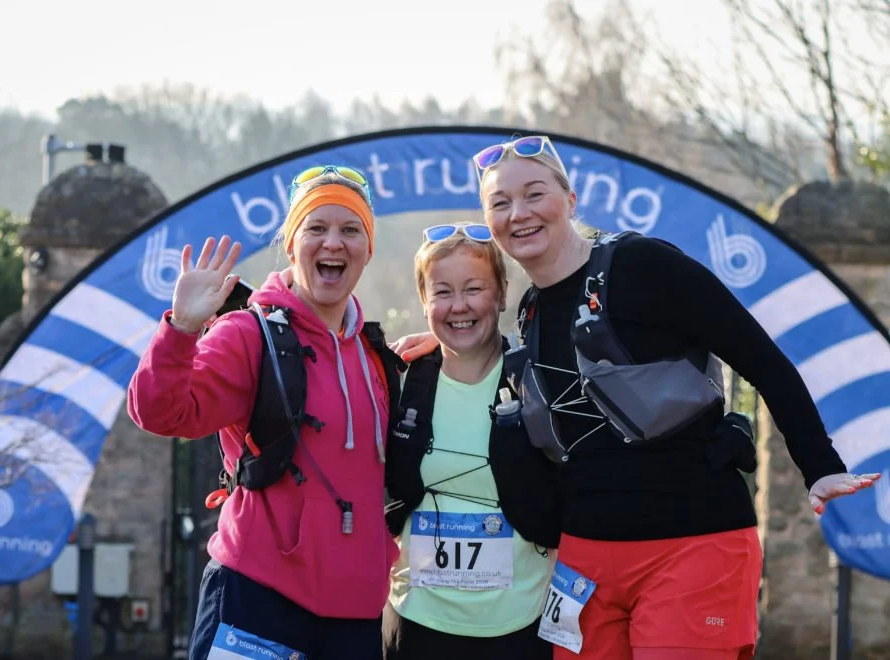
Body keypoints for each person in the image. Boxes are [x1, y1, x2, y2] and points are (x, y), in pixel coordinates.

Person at [392, 136, 882, 660]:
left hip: (690, 542)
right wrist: (443, 345)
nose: (519, 213)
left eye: (534, 194)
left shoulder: (642, 264)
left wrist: (818, 464)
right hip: (585, 563)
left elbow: (761, 358)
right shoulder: (531, 310)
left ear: (570, 199)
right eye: (500, 203)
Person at [127, 165, 400, 660]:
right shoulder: (248, 335)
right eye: (316, 228)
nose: (333, 242)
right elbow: (159, 412)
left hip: (354, 617)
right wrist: (181, 329)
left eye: (350, 229)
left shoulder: (375, 356)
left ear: (368, 250)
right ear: (291, 244)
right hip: (256, 602)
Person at [381, 223, 554, 660]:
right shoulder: (398, 384)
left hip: (519, 627)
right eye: (442, 292)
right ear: (424, 301)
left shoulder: (537, 382)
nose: (459, 306)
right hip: (415, 625)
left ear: (501, 294)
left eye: (474, 289)